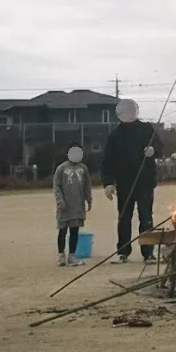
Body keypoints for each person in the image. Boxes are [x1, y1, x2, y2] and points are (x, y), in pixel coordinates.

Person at [101, 100, 162, 264]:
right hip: (124, 184)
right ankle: (123, 252)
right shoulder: (114, 136)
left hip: (145, 182)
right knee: (124, 218)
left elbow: (160, 146)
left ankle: (148, 253)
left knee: (146, 218)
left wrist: (153, 150)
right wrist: (108, 183)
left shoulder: (147, 129)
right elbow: (107, 162)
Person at [53, 144, 93, 267]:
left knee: (75, 231)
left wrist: (89, 199)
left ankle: (72, 256)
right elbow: (57, 186)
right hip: (64, 205)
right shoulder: (61, 168)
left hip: (78, 205)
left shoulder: (83, 168)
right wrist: (60, 201)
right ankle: (61, 256)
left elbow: (87, 185)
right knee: (62, 230)